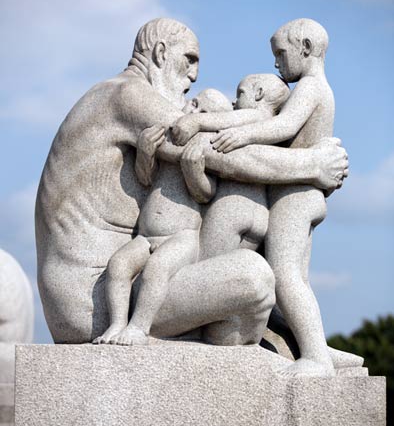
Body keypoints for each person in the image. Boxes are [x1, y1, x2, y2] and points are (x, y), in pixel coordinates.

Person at [35, 17, 348, 345]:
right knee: (253, 278)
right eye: (190, 60)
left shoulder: (116, 97)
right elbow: (223, 156)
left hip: (121, 280)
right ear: (160, 54)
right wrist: (311, 164)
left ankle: (304, 345)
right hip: (95, 304)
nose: (195, 76)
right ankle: (294, 345)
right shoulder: (128, 96)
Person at [186, 19, 339, 376]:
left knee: (284, 275)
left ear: (305, 47)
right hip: (304, 195)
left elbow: (283, 127)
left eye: (281, 54)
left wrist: (241, 137)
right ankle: (319, 349)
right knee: (294, 279)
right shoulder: (319, 89)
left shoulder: (311, 87)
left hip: (294, 195)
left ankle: (316, 356)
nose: (277, 64)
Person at [94, 89, 233, 346]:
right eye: (196, 104)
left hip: (182, 237)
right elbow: (145, 179)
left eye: (205, 114)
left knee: (157, 269)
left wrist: (193, 171)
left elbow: (206, 194)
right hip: (147, 234)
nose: (195, 113)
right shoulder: (169, 144)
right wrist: (146, 152)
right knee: (119, 264)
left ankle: (138, 327)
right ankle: (116, 323)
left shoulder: (205, 152)